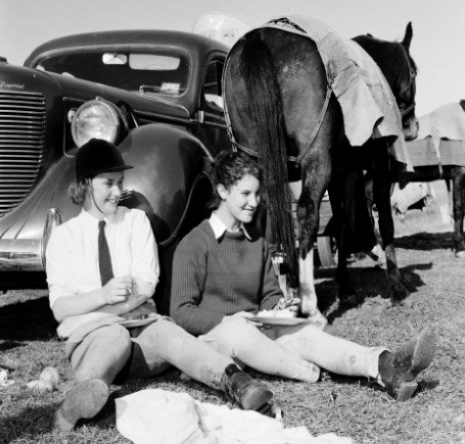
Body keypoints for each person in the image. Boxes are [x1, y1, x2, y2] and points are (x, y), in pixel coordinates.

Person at [45, 139, 278, 432]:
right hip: (92, 340)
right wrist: (103, 296)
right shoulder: (64, 238)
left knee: (170, 333)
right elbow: (60, 309)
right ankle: (81, 398)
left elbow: (147, 283)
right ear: (85, 184)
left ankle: (238, 383)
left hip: (143, 335)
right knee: (113, 335)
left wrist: (103, 303)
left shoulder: (136, 221)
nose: (118, 192)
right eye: (108, 184)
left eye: (120, 182)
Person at [170, 150, 435, 404]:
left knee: (306, 333)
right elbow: (181, 312)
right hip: (217, 340)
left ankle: (385, 365)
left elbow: (269, 295)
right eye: (245, 194)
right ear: (222, 191)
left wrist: (280, 306)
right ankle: (303, 370)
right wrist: (228, 320)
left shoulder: (257, 243)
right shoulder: (194, 244)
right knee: (238, 331)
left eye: (257, 194)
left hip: (257, 332)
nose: (254, 202)